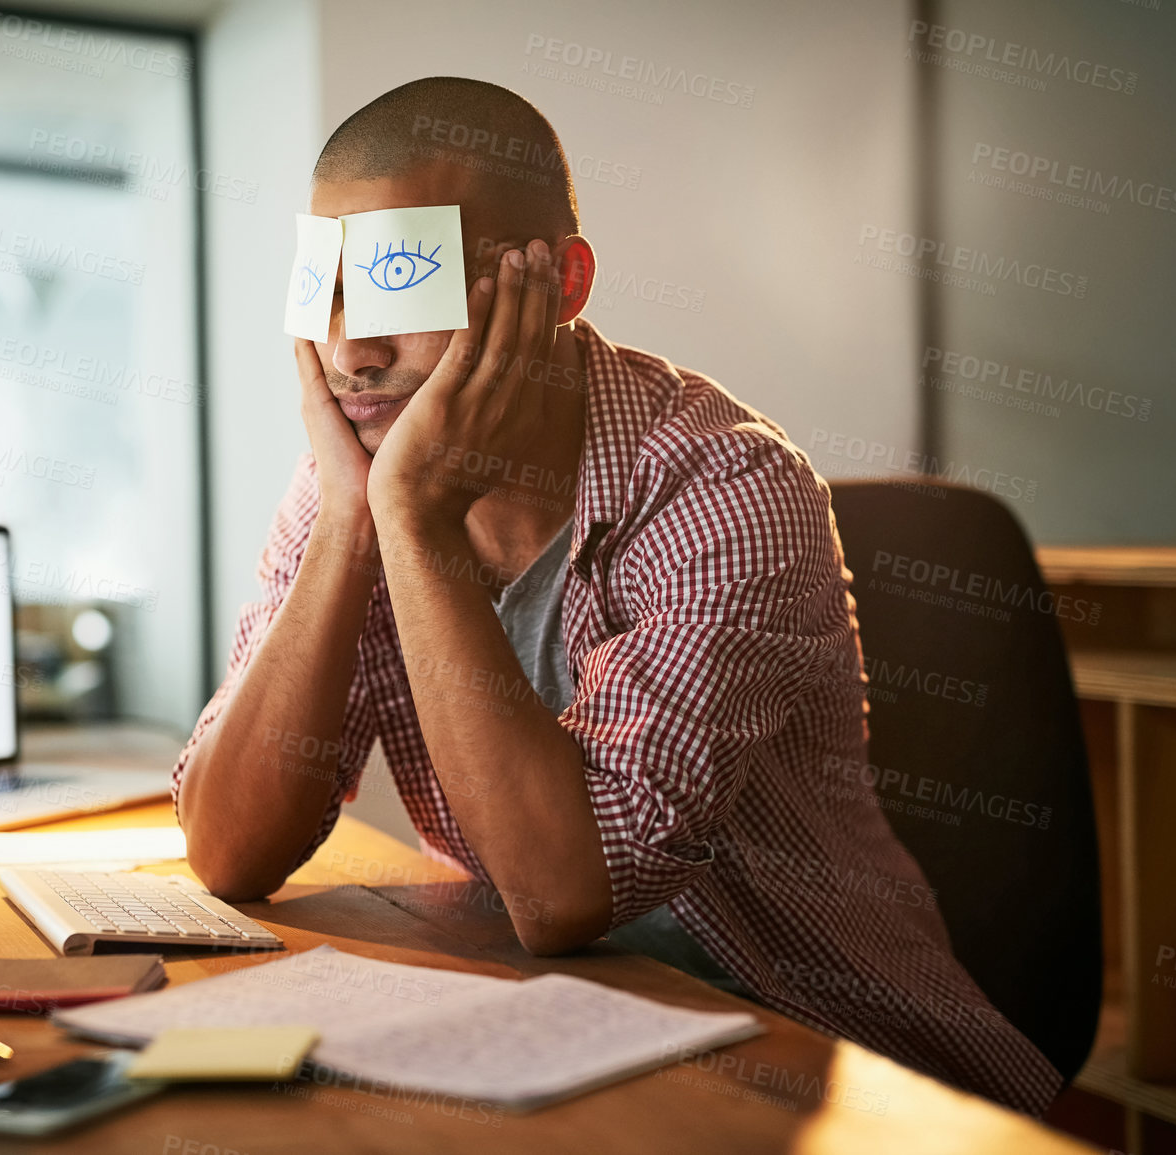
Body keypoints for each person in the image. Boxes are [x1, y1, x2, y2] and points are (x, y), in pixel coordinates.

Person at [171, 76, 1062, 1114]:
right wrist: (347, 523)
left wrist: (408, 523)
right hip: (557, 1024)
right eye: (322, 288)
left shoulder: (730, 488)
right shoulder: (353, 480)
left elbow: (559, 896)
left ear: (563, 283)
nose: (350, 352)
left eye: (399, 285)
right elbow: (230, 852)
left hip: (829, 1069)